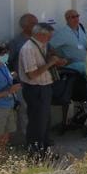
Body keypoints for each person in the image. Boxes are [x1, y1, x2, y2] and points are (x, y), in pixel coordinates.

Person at [19, 23, 65, 154]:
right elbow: (32, 74)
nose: (50, 39)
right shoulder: (29, 49)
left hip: (45, 87)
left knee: (44, 121)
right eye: (48, 36)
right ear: (39, 35)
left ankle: (44, 149)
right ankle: (35, 153)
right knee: (37, 122)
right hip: (35, 89)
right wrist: (50, 63)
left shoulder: (43, 45)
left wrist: (56, 61)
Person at [7, 13, 38, 146]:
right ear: (24, 26)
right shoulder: (16, 42)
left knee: (39, 111)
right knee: (25, 111)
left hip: (39, 82)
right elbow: (8, 61)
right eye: (33, 24)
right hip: (23, 82)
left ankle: (39, 139)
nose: (36, 26)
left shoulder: (39, 39)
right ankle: (29, 141)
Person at [50, 10, 87, 75]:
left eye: (77, 16)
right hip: (74, 67)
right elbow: (50, 47)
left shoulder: (81, 28)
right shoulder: (62, 33)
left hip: (86, 64)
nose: (76, 19)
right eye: (73, 17)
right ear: (67, 19)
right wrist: (60, 59)